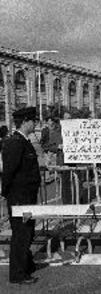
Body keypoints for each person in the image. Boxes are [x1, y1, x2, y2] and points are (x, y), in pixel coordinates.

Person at [2, 107, 40, 284]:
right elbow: (9, 171)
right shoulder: (15, 142)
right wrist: (7, 193)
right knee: (22, 234)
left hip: (26, 196)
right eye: (33, 120)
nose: (35, 123)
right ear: (25, 121)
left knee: (28, 231)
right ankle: (18, 274)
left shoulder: (24, 141)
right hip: (20, 197)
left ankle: (27, 264)